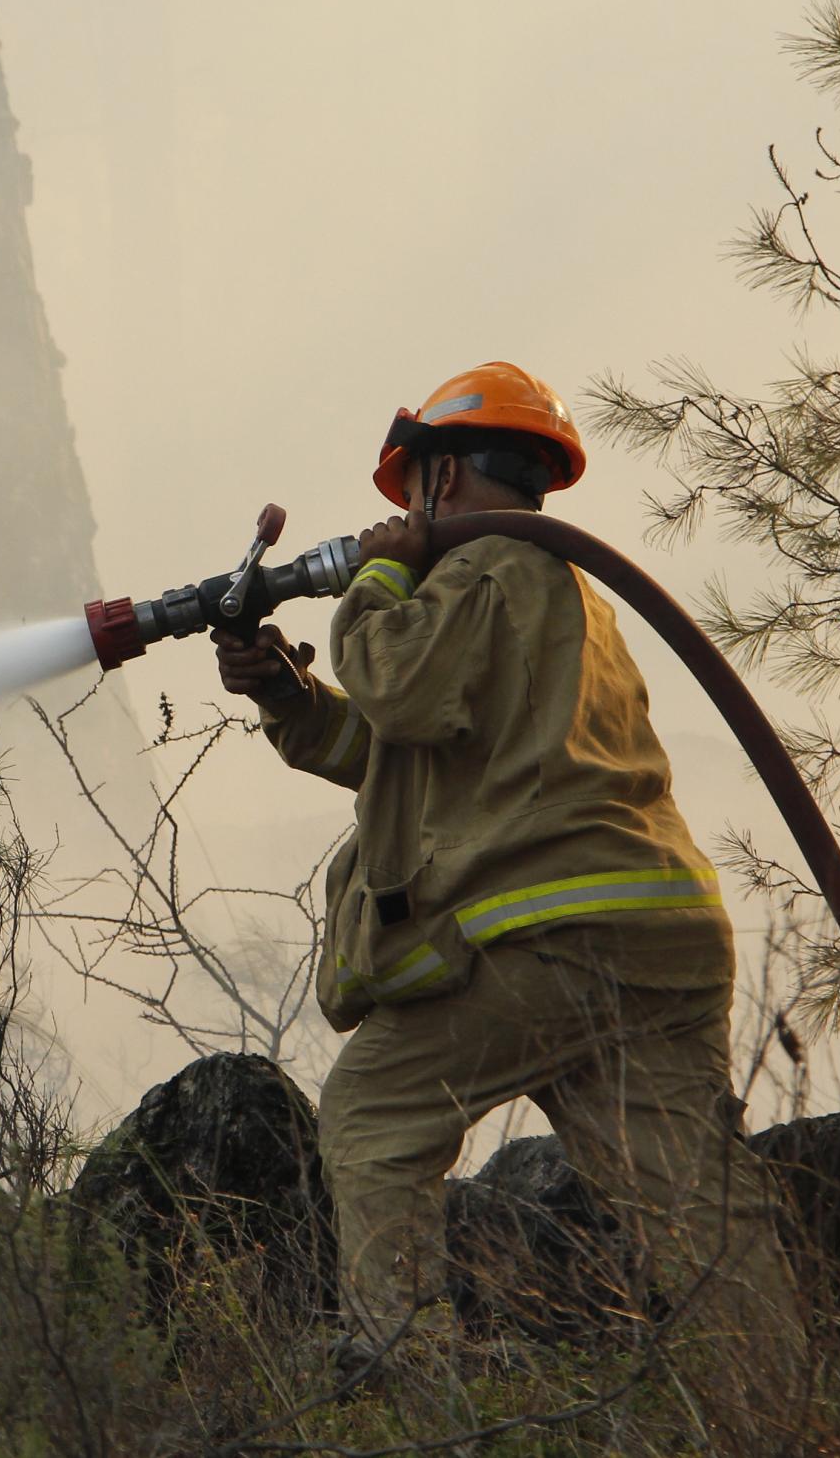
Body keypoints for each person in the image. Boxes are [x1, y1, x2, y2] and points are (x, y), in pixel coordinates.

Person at [212, 362, 807, 1418]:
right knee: (691, 1207)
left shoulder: (484, 570)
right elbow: (417, 752)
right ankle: (774, 1420)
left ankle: (418, 1402)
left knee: (370, 1116)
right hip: (656, 936)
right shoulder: (561, 591)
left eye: (410, 495)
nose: (398, 516)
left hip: (549, 936)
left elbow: (398, 687)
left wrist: (379, 583)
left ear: (439, 476)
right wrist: (290, 696)